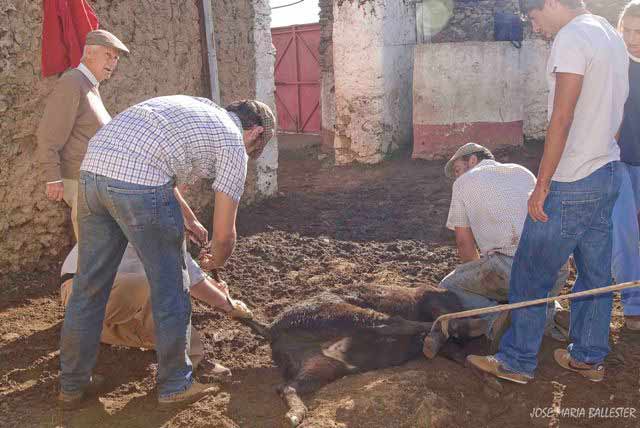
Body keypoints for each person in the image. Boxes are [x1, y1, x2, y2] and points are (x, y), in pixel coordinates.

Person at [58, 95, 275, 408]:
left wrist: (189, 219)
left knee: (90, 285)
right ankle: (176, 384)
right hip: (139, 185)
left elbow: (160, 171)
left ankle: (72, 385)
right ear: (254, 132)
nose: (250, 152)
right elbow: (225, 234)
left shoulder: (197, 109)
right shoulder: (232, 144)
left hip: (92, 174)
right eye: (255, 146)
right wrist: (218, 257)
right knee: (172, 288)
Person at [467, 0, 628, 384]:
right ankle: (587, 357)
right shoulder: (609, 34)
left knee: (530, 270)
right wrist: (604, 148)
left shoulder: (572, 37)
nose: (535, 27)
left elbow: (562, 115)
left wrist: (542, 186)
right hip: (607, 170)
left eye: (535, 17)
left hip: (572, 180)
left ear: (553, 3)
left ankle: (517, 361)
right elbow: (619, 109)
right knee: (595, 275)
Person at [423, 143, 567, 359]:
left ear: (473, 160)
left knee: (449, 287)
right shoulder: (522, 171)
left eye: (457, 169)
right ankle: (555, 318)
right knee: (534, 296)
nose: (456, 176)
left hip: (512, 267)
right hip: (558, 265)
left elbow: (464, 244)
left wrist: (477, 280)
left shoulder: (463, 183)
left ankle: (495, 320)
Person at [60, 244, 252, 375]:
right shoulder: (150, 208)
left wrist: (210, 283)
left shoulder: (141, 200)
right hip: (90, 291)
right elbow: (184, 274)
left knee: (153, 292)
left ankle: (99, 332)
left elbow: (185, 265)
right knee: (163, 286)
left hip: (86, 302)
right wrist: (227, 305)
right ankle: (186, 367)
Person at [37, 30, 129, 239]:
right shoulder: (72, 82)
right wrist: (53, 178)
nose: (113, 62)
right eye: (108, 55)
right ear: (88, 54)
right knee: (91, 249)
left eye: (115, 58)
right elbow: (48, 134)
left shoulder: (90, 85)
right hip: (80, 181)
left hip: (92, 181)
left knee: (98, 248)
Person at [615, 0, 640, 330]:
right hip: (617, 159)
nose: (634, 38)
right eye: (628, 31)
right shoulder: (614, 63)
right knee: (623, 230)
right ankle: (633, 303)